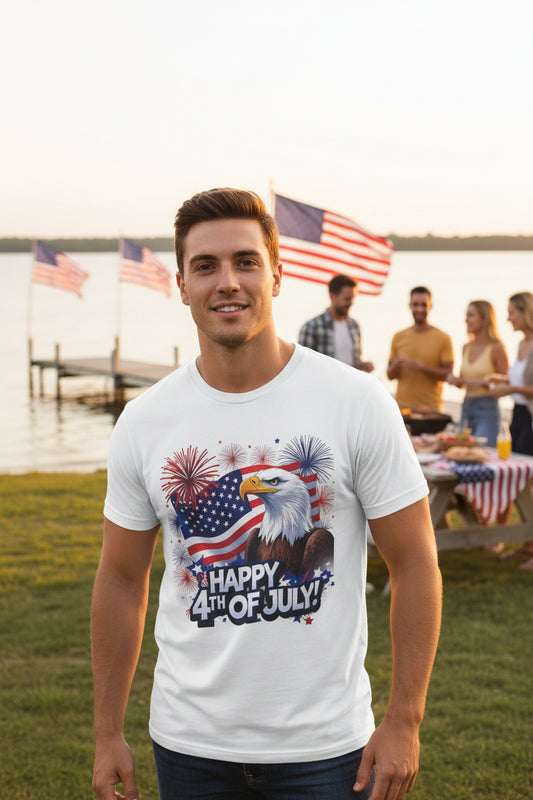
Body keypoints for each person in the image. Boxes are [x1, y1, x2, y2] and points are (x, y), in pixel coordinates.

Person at [91, 188, 442, 800]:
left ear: (277, 276)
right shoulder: (144, 421)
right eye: (206, 266)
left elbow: (415, 563)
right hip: (189, 745)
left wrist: (405, 719)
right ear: (181, 284)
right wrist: (105, 733)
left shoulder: (357, 405)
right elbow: (121, 580)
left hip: (327, 750)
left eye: (245, 262)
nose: (227, 281)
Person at [488, 291, 533, 570]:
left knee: (528, 480)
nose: (507, 318)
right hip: (518, 416)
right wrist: (500, 379)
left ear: (526, 312)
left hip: (530, 418)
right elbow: (520, 379)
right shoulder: (521, 344)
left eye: (512, 312)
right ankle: (527, 544)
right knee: (520, 482)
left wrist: (510, 388)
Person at [446, 300, 509, 446]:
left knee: (484, 452)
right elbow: (463, 382)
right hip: (466, 406)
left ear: (484, 319)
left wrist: (486, 381)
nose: (466, 320)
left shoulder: (497, 347)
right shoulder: (466, 347)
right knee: (464, 451)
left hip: (487, 408)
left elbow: (507, 381)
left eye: (471, 315)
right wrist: (454, 380)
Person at [387, 286, 454, 413]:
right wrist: (395, 365)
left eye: (423, 305)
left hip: (431, 410)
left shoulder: (443, 338)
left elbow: (448, 375)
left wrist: (422, 367)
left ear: (430, 306)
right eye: (415, 304)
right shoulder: (399, 337)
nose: (419, 309)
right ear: (410, 305)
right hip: (402, 409)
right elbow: (390, 375)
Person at [298, 273, 374, 371]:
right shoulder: (311, 327)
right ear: (332, 296)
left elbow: (354, 362)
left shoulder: (354, 326)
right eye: (347, 298)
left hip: (350, 385)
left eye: (353, 298)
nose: (351, 303)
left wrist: (363, 365)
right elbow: (303, 365)